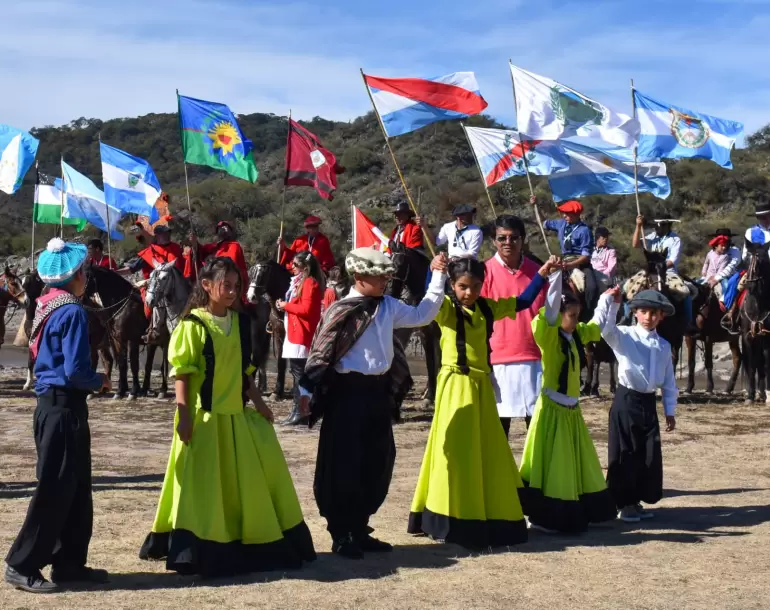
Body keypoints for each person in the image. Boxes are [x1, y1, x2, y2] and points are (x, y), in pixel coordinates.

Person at [139, 257, 316, 576]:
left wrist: (260, 404)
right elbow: (183, 374)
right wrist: (185, 418)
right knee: (204, 485)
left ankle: (240, 538)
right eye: (226, 285)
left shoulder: (239, 323)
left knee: (240, 483)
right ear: (206, 286)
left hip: (235, 418)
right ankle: (199, 543)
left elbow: (244, 372)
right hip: (204, 419)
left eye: (236, 286)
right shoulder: (192, 325)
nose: (233, 292)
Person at [297, 247, 448, 559]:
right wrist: (306, 392)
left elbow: (423, 314)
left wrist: (438, 276)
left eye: (386, 276)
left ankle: (360, 527)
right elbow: (321, 351)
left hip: (378, 393)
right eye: (379, 276)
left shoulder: (389, 306)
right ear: (359, 276)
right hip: (346, 394)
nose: (384, 281)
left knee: (377, 461)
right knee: (344, 465)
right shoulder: (341, 309)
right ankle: (341, 533)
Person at [409, 256, 557, 549]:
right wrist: (433, 272)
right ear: (453, 285)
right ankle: (448, 515)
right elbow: (430, 303)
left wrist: (541, 274)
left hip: (481, 386)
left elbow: (524, 301)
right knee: (457, 451)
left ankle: (487, 509)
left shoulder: (487, 308)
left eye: (476, 286)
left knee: (487, 448)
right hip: (456, 384)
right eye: (463, 286)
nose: (469, 292)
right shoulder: (447, 309)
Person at [5, 238, 111, 593]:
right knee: (56, 486)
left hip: (51, 405)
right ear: (77, 273)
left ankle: (69, 562)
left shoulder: (47, 304)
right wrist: (100, 380)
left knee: (77, 486)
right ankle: (22, 563)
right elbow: (77, 370)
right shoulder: (74, 312)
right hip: (64, 405)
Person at [518, 269, 617, 533]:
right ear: (559, 315)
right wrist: (554, 281)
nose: (575, 321)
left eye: (576, 316)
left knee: (573, 463)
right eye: (571, 316)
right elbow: (548, 313)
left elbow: (597, 326)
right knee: (553, 464)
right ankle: (546, 516)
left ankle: (577, 507)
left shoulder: (577, 335)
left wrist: (608, 301)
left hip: (571, 410)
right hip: (552, 409)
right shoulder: (549, 337)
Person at [595, 288, 678, 523]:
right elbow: (605, 329)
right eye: (644, 312)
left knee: (647, 453)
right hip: (627, 400)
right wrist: (610, 303)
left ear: (661, 315)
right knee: (626, 452)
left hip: (649, 403)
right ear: (635, 313)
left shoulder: (663, 345)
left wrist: (670, 410)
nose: (649, 317)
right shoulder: (624, 335)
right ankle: (623, 503)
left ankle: (637, 500)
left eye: (654, 313)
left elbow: (669, 381)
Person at [481, 215, 548, 436]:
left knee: (537, 430)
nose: (508, 242)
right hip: (498, 360)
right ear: (494, 241)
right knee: (499, 432)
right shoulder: (483, 273)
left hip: (535, 357)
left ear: (523, 240)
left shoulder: (539, 272)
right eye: (502, 238)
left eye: (514, 237)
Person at [276, 251, 324, 426]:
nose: (292, 267)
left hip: (302, 334)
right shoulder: (299, 282)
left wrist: (285, 305)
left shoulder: (310, 283)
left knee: (300, 375)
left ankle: (301, 412)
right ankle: (298, 410)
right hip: (294, 332)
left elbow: (306, 310)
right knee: (297, 374)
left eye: (295, 265)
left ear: (305, 267)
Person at [119, 222, 185, 343]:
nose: (166, 235)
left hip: (178, 283)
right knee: (154, 302)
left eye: (167, 233)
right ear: (157, 236)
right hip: (157, 285)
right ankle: (154, 330)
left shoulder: (176, 248)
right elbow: (132, 268)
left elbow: (184, 266)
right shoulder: (150, 252)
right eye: (162, 233)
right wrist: (116, 272)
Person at [539, 199, 598, 318]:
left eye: (567, 213)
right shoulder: (561, 224)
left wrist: (572, 265)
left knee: (592, 288)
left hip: (580, 262)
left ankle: (587, 316)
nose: (564, 216)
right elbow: (544, 223)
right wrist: (536, 205)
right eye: (564, 213)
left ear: (576, 214)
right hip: (564, 260)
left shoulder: (584, 230)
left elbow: (586, 256)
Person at [184, 220, 248, 290]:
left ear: (230, 232)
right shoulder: (213, 246)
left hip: (227, 282)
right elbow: (200, 251)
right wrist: (195, 243)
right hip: (212, 280)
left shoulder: (235, 246)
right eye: (220, 228)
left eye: (226, 227)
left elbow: (236, 266)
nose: (223, 229)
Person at [418, 204, 483, 259]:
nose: (471, 216)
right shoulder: (447, 227)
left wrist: (454, 259)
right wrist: (425, 226)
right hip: (450, 263)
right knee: (435, 271)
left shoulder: (477, 231)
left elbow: (472, 254)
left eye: (471, 214)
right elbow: (436, 242)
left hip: (468, 263)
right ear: (458, 217)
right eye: (468, 215)